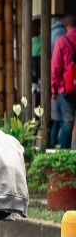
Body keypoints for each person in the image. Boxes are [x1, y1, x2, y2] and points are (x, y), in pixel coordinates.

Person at [50, 13, 76, 150]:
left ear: (65, 24)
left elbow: (55, 68)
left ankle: (64, 163)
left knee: (66, 127)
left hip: (66, 90)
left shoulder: (62, 41)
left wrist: (54, 89)